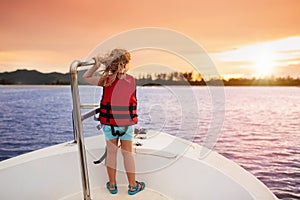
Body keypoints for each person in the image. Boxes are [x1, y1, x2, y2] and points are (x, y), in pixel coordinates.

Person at [83, 48, 145, 195]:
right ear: (125, 64)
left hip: (109, 126)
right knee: (127, 154)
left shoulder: (106, 80)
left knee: (111, 154)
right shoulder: (132, 81)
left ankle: (112, 185)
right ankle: (132, 186)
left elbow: (86, 77)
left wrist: (96, 66)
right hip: (126, 126)